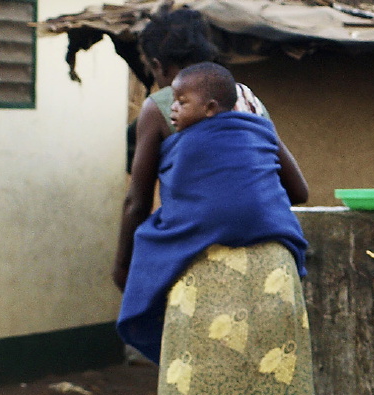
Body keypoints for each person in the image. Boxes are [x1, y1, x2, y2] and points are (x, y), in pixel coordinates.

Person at [116, 60, 328, 395]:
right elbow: (298, 191)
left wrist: (127, 269)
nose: (174, 107)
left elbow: (143, 206)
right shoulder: (253, 113)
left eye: (181, 101)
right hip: (274, 278)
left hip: (204, 279)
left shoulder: (163, 116)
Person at [114, 6, 308, 292]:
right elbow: (298, 192)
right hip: (273, 262)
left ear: (159, 66)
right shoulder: (245, 98)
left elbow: (137, 203)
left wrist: (121, 266)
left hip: (198, 262)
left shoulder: (160, 106)